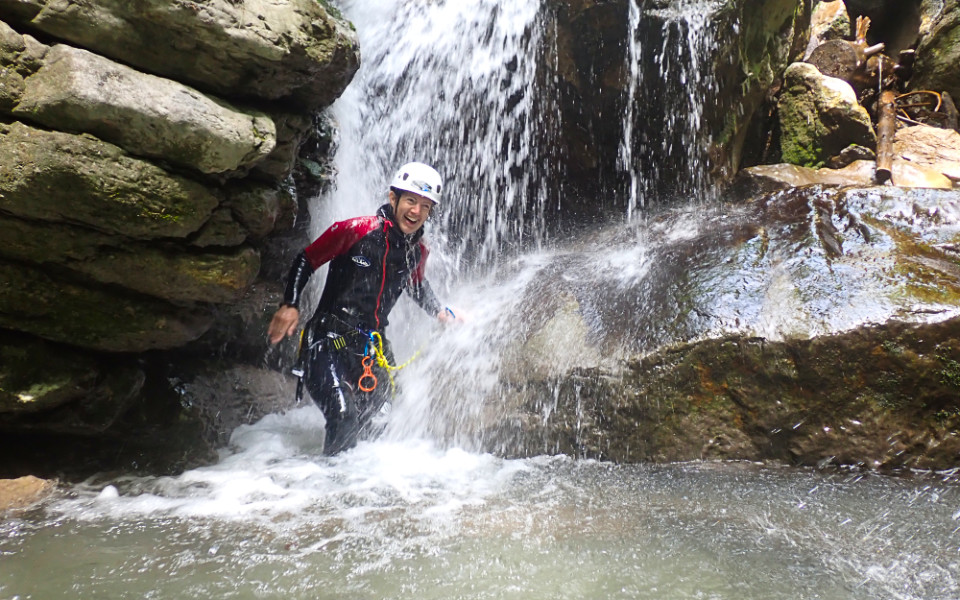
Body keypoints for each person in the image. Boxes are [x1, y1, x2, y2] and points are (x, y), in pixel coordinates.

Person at [267, 161, 455, 455]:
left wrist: (440, 312)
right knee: (343, 417)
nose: (416, 211)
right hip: (326, 343)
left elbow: (416, 285)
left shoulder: (417, 251)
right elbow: (307, 259)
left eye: (425, 206)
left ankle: (362, 489)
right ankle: (328, 491)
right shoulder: (357, 230)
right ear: (393, 198)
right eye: (410, 200)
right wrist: (290, 305)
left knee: (382, 423)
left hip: (371, 348)